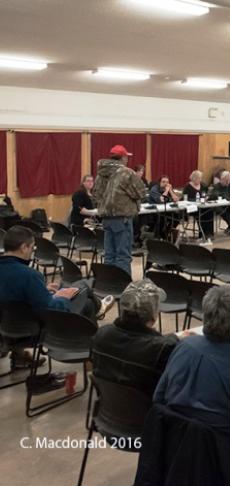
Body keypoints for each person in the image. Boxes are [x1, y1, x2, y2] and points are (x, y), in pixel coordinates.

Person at [154, 285, 230, 462]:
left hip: (174, 447)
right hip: (226, 459)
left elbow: (158, 398)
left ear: (205, 316)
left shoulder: (183, 347)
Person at [0, 226, 108, 367]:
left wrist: (41, 290)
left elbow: (11, 294)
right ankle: (99, 313)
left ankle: (19, 357)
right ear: (24, 247)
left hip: (5, 329)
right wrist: (63, 297)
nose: (33, 251)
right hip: (35, 331)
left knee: (86, 302)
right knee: (82, 288)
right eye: (32, 247)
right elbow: (53, 310)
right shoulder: (29, 276)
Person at [92, 279, 179, 397]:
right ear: (153, 314)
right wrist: (176, 340)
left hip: (108, 404)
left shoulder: (101, 334)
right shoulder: (163, 350)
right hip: (146, 408)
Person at [93, 144, 147, 276]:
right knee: (123, 255)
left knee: (109, 254)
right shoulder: (126, 173)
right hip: (122, 218)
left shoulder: (101, 174)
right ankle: (122, 285)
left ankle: (109, 282)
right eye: (126, 157)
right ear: (123, 158)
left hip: (106, 218)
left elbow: (96, 195)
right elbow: (141, 192)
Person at [181, 169, 214, 241]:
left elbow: (207, 194)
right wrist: (196, 200)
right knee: (202, 214)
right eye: (198, 178)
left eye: (200, 178)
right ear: (193, 178)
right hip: (192, 208)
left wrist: (207, 197)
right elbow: (185, 198)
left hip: (202, 206)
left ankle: (209, 233)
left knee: (210, 211)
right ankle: (201, 234)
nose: (200, 180)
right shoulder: (187, 186)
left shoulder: (203, 185)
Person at [148, 175, 182, 241]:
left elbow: (176, 199)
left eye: (167, 182)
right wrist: (166, 191)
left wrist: (170, 191)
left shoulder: (168, 189)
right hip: (155, 212)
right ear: (159, 182)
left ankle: (166, 233)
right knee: (161, 219)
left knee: (177, 217)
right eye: (163, 182)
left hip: (166, 210)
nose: (166, 184)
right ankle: (159, 236)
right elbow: (161, 200)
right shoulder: (154, 189)